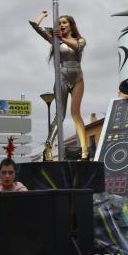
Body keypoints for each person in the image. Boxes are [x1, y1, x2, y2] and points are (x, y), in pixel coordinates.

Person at [30, 11, 88, 161]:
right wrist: (42, 15)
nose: (61, 25)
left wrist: (61, 38)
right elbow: (36, 27)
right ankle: (48, 149)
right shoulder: (56, 41)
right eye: (59, 23)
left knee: (76, 113)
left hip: (78, 78)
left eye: (64, 22)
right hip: (61, 77)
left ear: (71, 25)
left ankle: (84, 151)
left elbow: (77, 48)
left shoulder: (80, 40)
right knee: (60, 116)